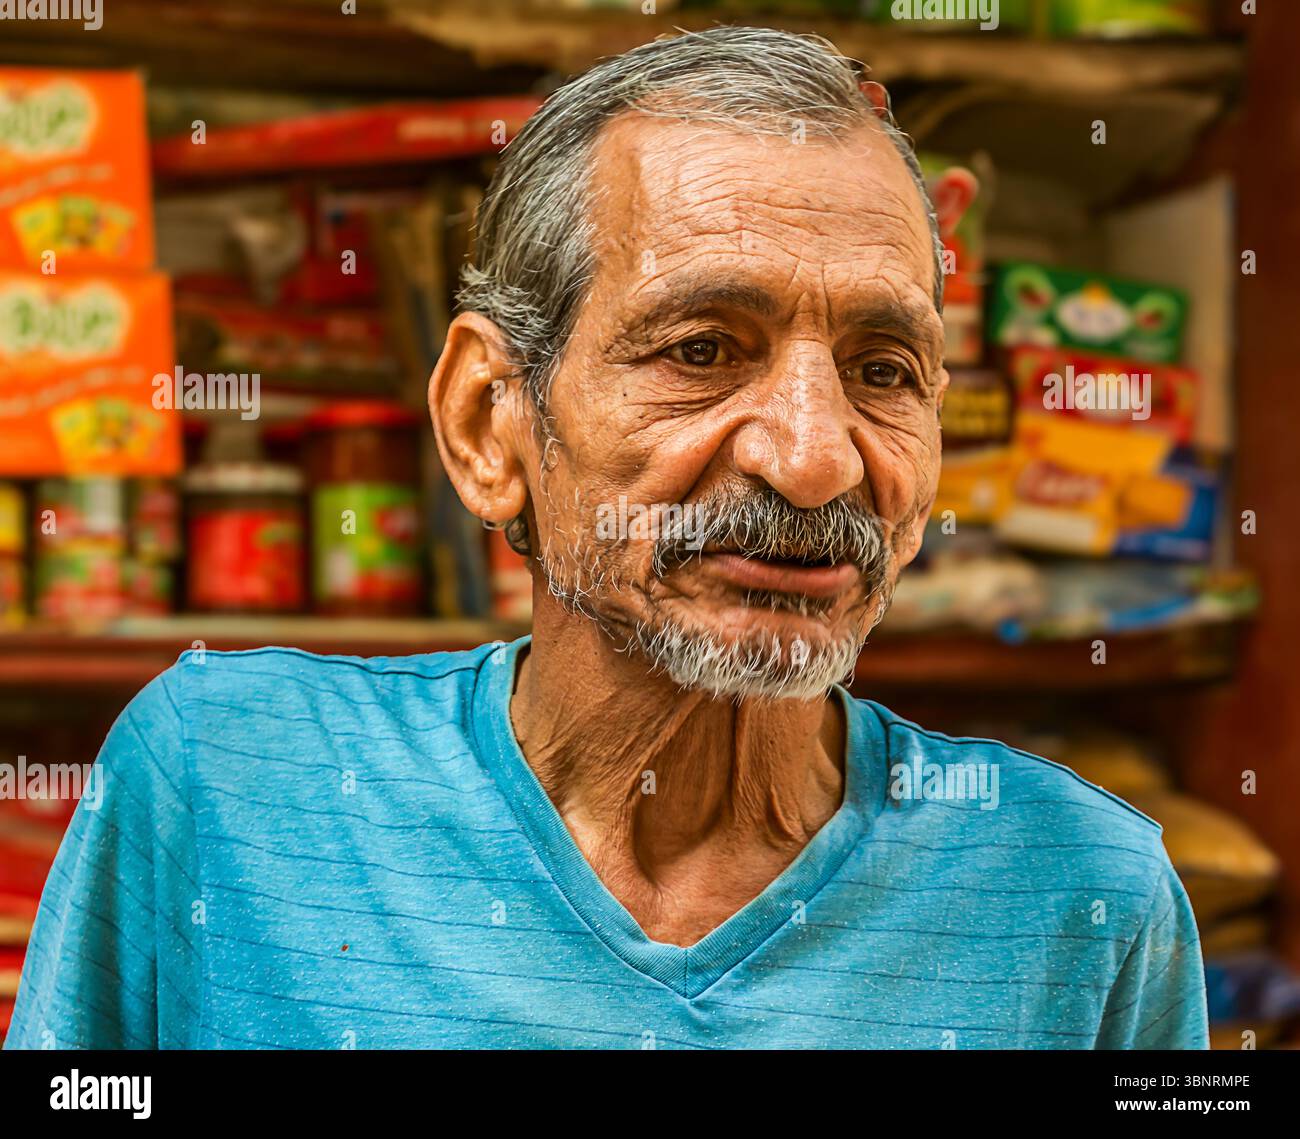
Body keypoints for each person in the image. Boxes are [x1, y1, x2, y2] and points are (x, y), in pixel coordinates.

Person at [7, 26, 1207, 1050]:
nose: (814, 456)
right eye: (700, 350)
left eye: (882, 370)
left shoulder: (1083, 894)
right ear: (490, 420)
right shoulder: (227, 777)